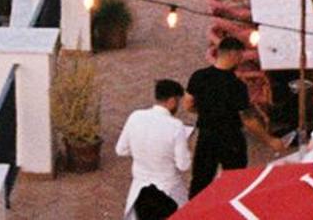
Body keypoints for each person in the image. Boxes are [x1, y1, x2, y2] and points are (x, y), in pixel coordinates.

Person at [186, 38, 279, 195]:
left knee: (201, 180)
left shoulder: (199, 76)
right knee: (235, 182)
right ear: (233, 54)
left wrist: (206, 111)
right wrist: (269, 140)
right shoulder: (236, 85)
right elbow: (248, 119)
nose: (241, 60)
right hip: (231, 138)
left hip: (206, 135)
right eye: (240, 56)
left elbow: (188, 104)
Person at [116, 80, 193, 220]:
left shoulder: (135, 116)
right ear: (172, 101)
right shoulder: (176, 126)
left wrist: (143, 151)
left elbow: (121, 150)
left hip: (140, 190)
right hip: (169, 192)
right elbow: (183, 165)